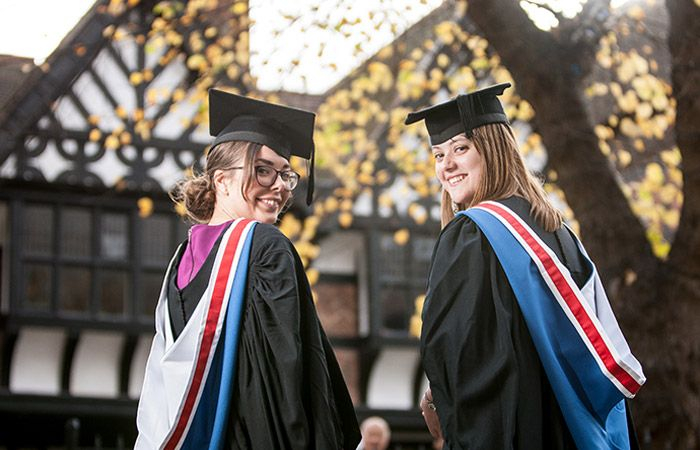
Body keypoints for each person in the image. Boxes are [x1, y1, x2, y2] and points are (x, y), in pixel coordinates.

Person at [404, 83, 646, 449]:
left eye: (460, 149)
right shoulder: (559, 233)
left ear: (494, 149)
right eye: (438, 155)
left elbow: (458, 352)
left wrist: (440, 401)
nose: (447, 165)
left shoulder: (473, 235)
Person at [135, 89, 361, 449]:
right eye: (262, 170)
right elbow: (284, 378)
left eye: (286, 175)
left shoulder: (182, 258)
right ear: (221, 179)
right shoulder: (264, 246)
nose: (279, 187)